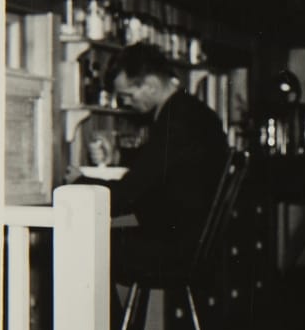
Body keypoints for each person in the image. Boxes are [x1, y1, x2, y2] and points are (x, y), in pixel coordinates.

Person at [68, 42, 229, 284]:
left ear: (151, 86)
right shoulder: (193, 112)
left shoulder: (174, 122)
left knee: (78, 244)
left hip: (175, 248)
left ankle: (111, 323)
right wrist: (119, 157)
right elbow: (159, 162)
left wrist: (78, 184)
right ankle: (118, 323)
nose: (126, 103)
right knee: (101, 238)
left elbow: (128, 194)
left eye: (128, 95)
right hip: (196, 240)